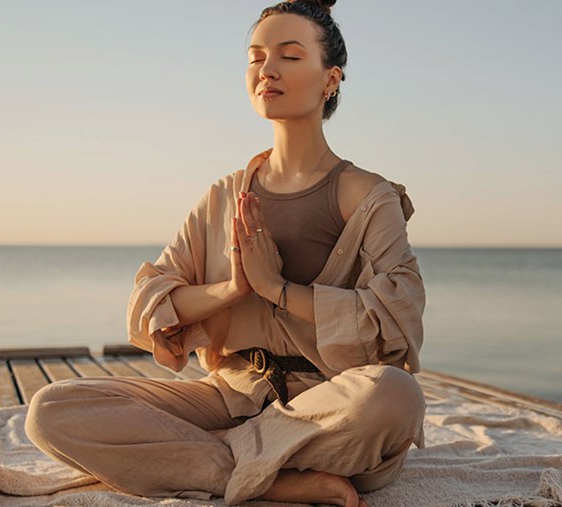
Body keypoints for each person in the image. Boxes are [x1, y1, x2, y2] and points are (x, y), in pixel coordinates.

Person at [24, 1, 426, 505]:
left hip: (330, 404)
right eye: (256, 57)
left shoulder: (370, 197)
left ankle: (204, 459)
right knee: (53, 408)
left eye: (290, 56)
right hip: (230, 394)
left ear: (331, 79)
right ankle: (274, 472)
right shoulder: (224, 196)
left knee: (394, 396)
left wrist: (277, 290)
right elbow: (151, 300)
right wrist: (233, 288)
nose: (267, 70)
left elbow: (396, 322)